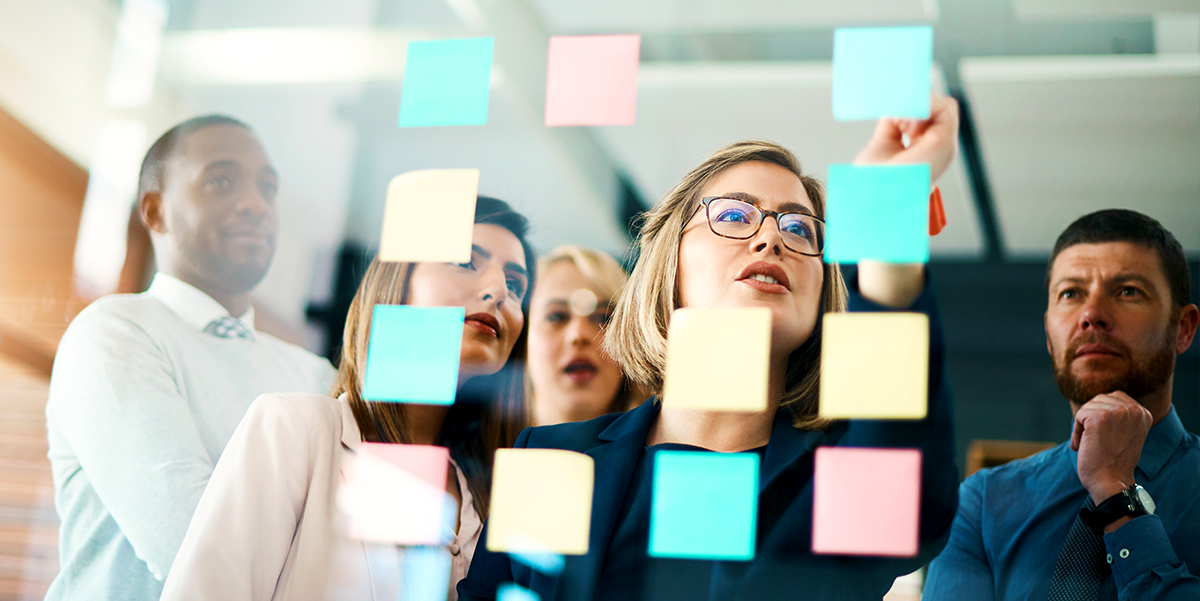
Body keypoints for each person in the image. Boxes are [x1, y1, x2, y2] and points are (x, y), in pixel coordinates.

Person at [459, 96, 962, 601]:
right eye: (735, 214)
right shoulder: (549, 459)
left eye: (797, 227)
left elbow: (908, 485)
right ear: (668, 263)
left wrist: (886, 209)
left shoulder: (832, 477)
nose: (770, 239)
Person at [160, 197, 536, 601]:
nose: (499, 291)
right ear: (398, 281)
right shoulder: (296, 430)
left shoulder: (494, 495)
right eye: (465, 262)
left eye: (515, 286)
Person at [44, 115, 336, 601]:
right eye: (221, 182)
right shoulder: (115, 333)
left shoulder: (311, 373)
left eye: (268, 188)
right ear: (155, 211)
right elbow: (194, 548)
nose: (255, 204)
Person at [924, 209, 1200, 600]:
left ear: (1183, 329)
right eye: (1071, 293)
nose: (1092, 315)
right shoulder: (983, 505)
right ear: (1050, 336)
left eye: (1128, 291)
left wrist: (1116, 499)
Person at [528, 245, 638, 426]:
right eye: (557, 316)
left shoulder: (665, 451)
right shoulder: (471, 449)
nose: (578, 335)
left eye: (603, 318)